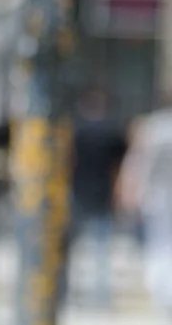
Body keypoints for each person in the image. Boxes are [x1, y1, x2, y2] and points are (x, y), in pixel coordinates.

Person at [64, 87, 126, 307]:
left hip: (78, 193)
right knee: (102, 250)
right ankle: (102, 297)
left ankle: (66, 291)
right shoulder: (112, 133)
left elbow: (67, 164)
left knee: (70, 247)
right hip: (102, 194)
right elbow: (119, 168)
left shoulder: (76, 132)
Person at [117, 97, 172, 316]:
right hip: (157, 197)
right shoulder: (156, 128)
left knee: (158, 245)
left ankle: (164, 292)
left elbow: (137, 165)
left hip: (155, 198)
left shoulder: (153, 128)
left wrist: (129, 191)